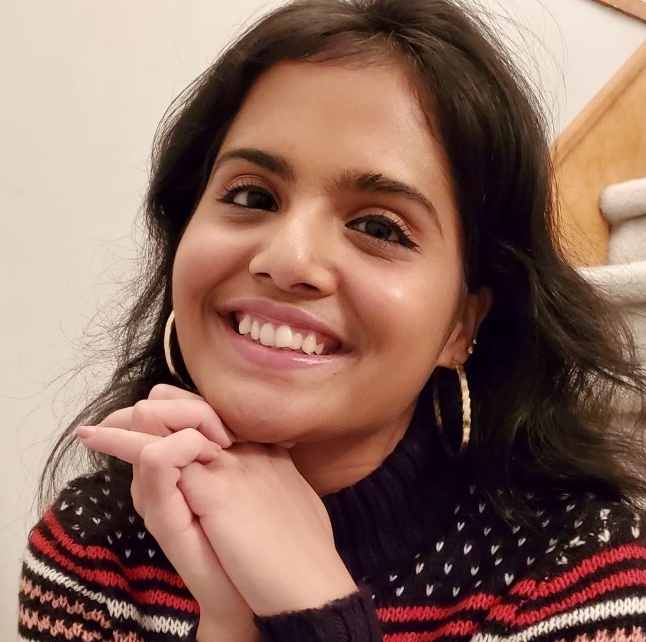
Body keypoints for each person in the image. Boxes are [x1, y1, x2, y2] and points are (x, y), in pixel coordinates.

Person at [18, 0, 646, 640]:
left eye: (378, 227)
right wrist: (230, 620)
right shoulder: (98, 547)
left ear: (461, 325)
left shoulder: (570, 569)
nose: (288, 260)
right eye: (251, 196)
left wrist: (314, 607)